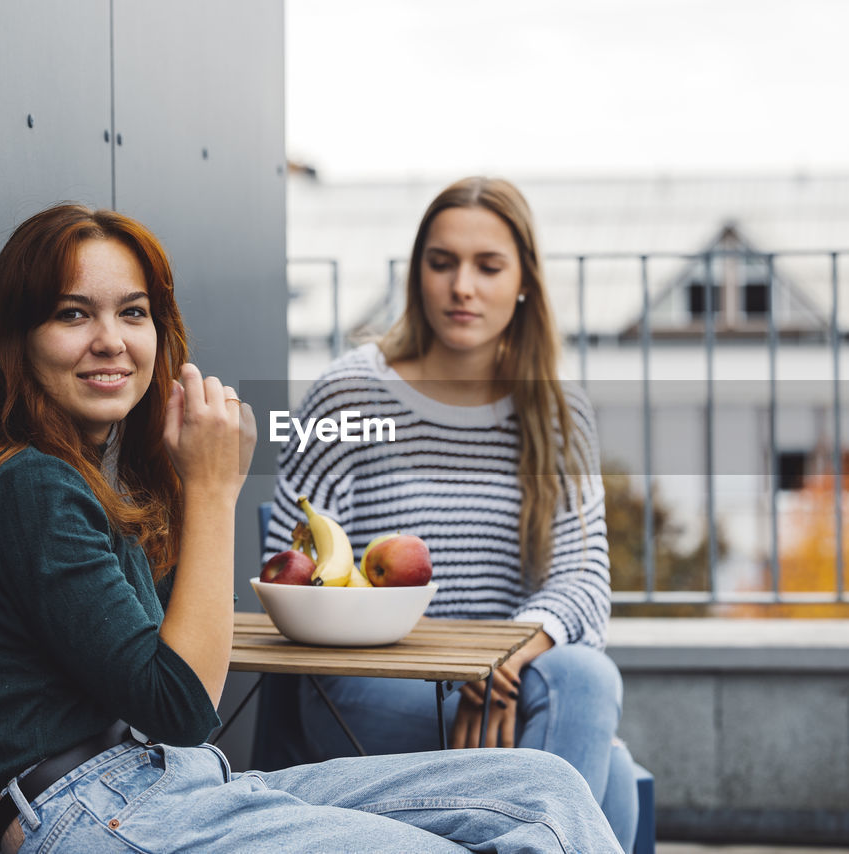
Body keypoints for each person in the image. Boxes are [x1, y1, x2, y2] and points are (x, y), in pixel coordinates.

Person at [0, 203, 623, 854]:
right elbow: (183, 706)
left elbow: (158, 675)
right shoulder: (25, 486)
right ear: (17, 340)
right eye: (74, 313)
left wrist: (170, 481)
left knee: (546, 790)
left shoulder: (76, 480)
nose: (111, 340)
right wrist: (212, 490)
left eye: (133, 313)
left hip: (167, 785)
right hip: (97, 810)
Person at [264, 177, 640, 849]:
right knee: (599, 764)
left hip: (509, 682)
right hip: (369, 687)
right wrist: (462, 669)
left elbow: (584, 583)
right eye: (442, 263)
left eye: (488, 266)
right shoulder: (349, 396)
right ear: (418, 274)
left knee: (583, 676)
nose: (462, 286)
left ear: (524, 281)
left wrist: (499, 662)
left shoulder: (556, 412)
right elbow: (293, 572)